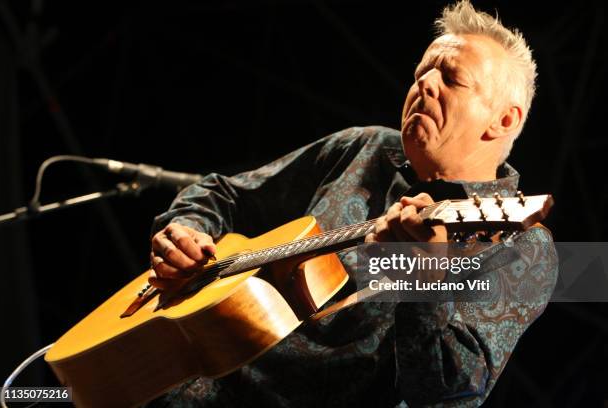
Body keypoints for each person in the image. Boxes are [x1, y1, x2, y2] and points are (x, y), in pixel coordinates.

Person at [147, 1, 557, 407]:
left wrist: (424, 281)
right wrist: (187, 229)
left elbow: (445, 395)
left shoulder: (522, 248)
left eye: (451, 78)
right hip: (169, 379)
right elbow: (222, 192)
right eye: (421, 74)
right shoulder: (364, 148)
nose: (424, 85)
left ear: (504, 120)